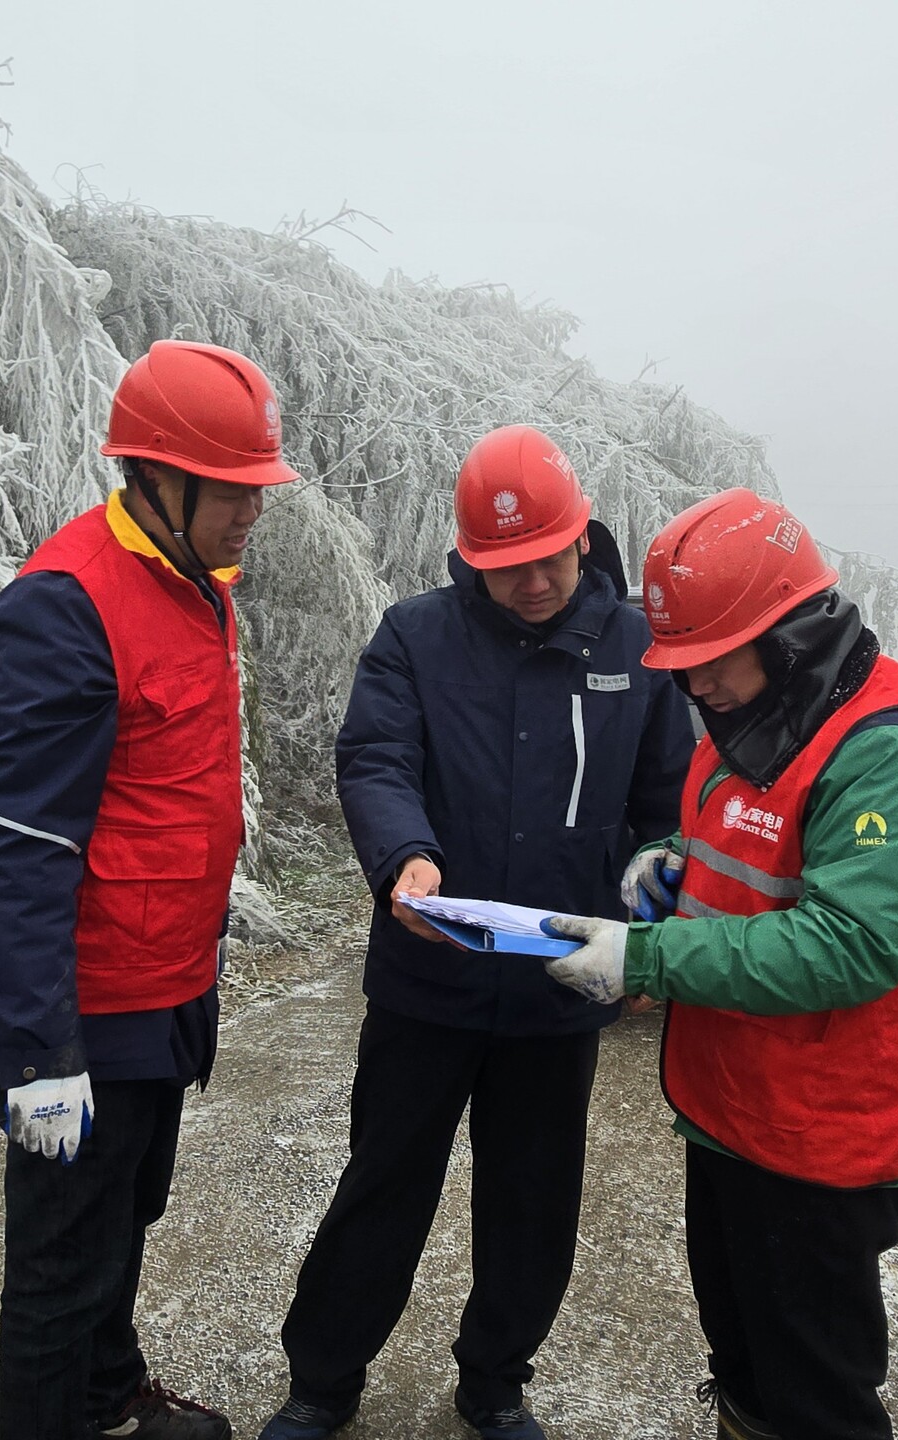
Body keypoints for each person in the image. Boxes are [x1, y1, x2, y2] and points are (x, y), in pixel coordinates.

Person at [257, 426, 696, 1440]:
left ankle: (496, 1383)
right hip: (429, 977)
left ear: (582, 538)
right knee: (384, 1184)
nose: (532, 581)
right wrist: (402, 855)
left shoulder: (636, 649)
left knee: (533, 1202)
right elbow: (375, 756)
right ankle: (322, 1381)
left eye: (548, 556)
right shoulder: (415, 636)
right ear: (467, 559)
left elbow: (670, 799)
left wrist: (651, 886)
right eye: (504, 567)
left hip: (558, 982)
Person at [541, 490, 898, 1440]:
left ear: (787, 632)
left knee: (815, 1393)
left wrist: (645, 957)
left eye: (707, 662)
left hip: (826, 1134)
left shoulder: (891, 752)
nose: (691, 688)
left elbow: (850, 943)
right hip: (731, 1112)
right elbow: (740, 846)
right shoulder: (753, 720)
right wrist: (667, 862)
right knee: (743, 1359)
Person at [0, 340, 299, 1440]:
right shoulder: (67, 604)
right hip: (88, 1015)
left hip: (164, 992)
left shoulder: (196, 584)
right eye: (235, 491)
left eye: (259, 490)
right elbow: (12, 848)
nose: (252, 512)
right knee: (59, 1268)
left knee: (123, 1220)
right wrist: (36, 1057)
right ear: (156, 477)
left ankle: (109, 1402)